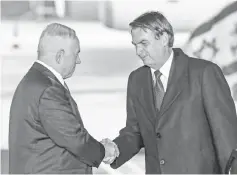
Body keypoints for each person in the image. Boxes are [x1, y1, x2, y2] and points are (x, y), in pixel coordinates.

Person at [102, 11, 237, 173]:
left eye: (144, 43)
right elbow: (135, 132)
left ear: (164, 39)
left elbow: (226, 134)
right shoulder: (136, 80)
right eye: (135, 45)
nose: (138, 51)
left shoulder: (204, 73)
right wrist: (114, 149)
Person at [8, 23, 118, 174]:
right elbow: (75, 140)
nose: (78, 60)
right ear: (60, 56)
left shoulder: (35, 81)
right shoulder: (48, 90)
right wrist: (104, 151)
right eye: (76, 54)